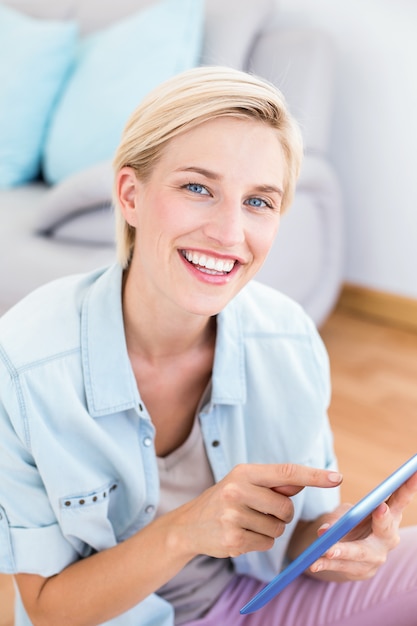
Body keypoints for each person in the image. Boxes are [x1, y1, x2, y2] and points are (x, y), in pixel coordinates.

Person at [0, 65, 416, 626]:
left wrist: (343, 546)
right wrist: (185, 531)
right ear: (130, 195)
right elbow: (44, 610)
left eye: (259, 202)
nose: (228, 233)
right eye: (198, 188)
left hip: (254, 604)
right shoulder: (23, 367)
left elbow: (296, 547)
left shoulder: (289, 339)